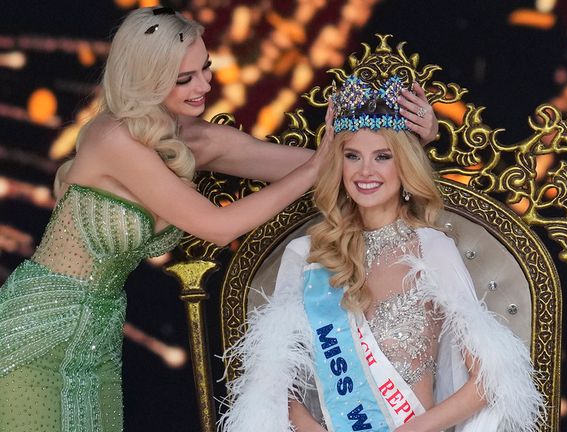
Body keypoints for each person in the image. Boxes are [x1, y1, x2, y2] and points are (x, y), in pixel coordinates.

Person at [0, 7, 438, 432]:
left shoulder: (197, 139)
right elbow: (219, 226)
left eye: (205, 69)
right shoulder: (109, 136)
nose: (204, 87)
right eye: (184, 78)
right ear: (146, 78)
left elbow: (336, 169)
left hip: (96, 338)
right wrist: (315, 169)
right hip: (34, 333)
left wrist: (414, 141)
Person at [220, 74, 545, 432]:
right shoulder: (308, 256)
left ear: (404, 165)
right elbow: (277, 384)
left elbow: (487, 380)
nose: (365, 171)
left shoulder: (430, 249)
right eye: (352, 156)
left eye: (383, 156)